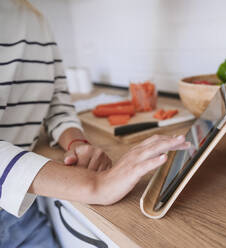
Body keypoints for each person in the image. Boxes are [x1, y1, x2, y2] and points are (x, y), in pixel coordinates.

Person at [0, 1, 189, 247]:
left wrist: (75, 141)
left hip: (19, 208)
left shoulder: (35, 19)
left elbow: (56, 103)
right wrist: (96, 185)